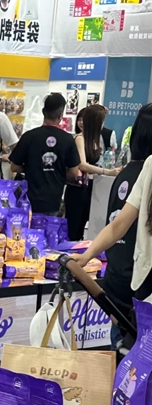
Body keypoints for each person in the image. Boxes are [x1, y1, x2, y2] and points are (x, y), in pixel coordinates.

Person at [75, 104, 152, 350]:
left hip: (133, 280)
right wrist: (87, 254)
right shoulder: (149, 167)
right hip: (143, 283)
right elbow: (119, 223)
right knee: (134, 356)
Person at [9, 93, 81, 215]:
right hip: (53, 200)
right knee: (50, 227)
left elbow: (14, 167)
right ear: (60, 116)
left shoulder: (29, 137)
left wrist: (31, 168)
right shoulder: (67, 139)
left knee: (27, 227)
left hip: (29, 200)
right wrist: (57, 172)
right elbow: (74, 172)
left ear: (43, 112)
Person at [66, 104, 121, 241]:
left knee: (85, 227)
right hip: (78, 189)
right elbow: (82, 165)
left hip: (91, 186)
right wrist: (107, 171)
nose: (103, 125)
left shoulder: (95, 140)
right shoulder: (80, 138)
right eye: (101, 121)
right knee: (74, 230)